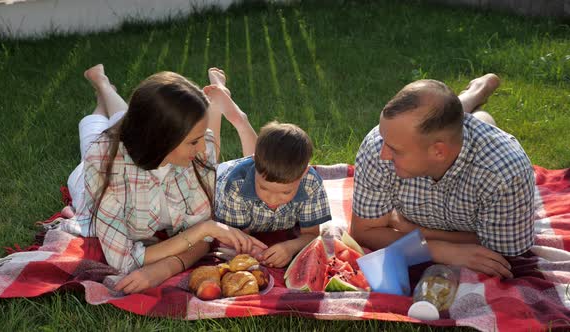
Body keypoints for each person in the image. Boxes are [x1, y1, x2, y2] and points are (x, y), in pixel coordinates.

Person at [61, 65, 266, 294]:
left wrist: (167, 266)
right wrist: (202, 230)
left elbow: (204, 238)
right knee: (94, 137)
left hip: (141, 140)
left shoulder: (199, 148)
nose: (203, 150)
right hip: (90, 177)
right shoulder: (103, 165)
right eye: (193, 142)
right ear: (161, 139)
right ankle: (102, 87)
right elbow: (124, 260)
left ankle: (104, 85)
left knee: (126, 118)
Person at [350, 74, 535, 279]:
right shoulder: (378, 144)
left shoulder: (503, 174)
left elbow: (503, 253)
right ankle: (472, 95)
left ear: (438, 152)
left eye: (395, 150)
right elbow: (364, 232)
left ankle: (473, 101)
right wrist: (438, 249)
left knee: (481, 121)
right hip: (447, 136)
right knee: (449, 122)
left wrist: (413, 231)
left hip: (471, 148)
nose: (383, 154)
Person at [207, 86, 331, 268]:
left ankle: (240, 120)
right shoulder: (235, 186)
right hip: (221, 177)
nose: (271, 199)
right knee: (208, 159)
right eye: (264, 188)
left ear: (304, 173)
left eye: (285, 192)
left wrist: (290, 247)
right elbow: (238, 238)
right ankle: (215, 106)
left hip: (253, 168)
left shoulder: (311, 183)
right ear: (255, 164)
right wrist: (257, 253)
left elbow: (312, 234)